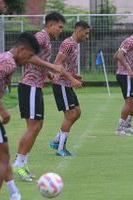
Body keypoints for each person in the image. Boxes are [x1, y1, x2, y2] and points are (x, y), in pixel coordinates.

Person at [12, 12, 82, 181]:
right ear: (51, 25)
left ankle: (22, 163)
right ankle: (19, 164)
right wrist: (50, 66)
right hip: (29, 86)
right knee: (33, 127)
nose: (60, 30)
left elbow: (38, 61)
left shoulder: (48, 40)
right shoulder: (41, 37)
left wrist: (48, 73)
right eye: (59, 27)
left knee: (38, 125)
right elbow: (28, 57)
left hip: (36, 86)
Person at [0, 32, 40, 200]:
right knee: (2, 158)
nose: (28, 60)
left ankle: (14, 193)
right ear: (22, 50)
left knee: (2, 155)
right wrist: (2, 108)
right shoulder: (9, 62)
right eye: (30, 55)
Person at [49, 21, 90, 156]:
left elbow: (65, 66)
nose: (87, 36)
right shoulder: (68, 44)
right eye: (86, 33)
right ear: (79, 31)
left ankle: (56, 140)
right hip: (61, 84)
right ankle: (61, 148)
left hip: (66, 83)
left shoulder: (75, 45)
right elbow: (57, 64)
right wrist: (71, 79)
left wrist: (74, 76)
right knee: (70, 114)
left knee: (76, 112)